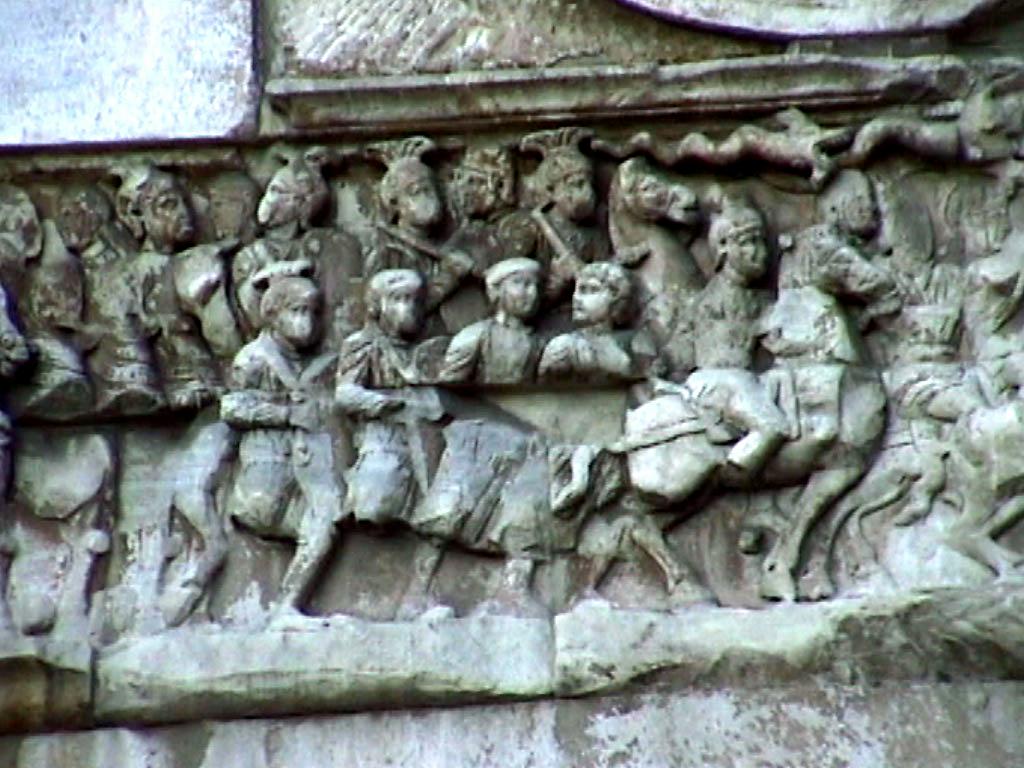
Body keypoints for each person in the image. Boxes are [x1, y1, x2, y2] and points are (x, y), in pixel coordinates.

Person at [221, 261, 342, 618]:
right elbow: (232, 407)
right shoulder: (254, 359)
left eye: (313, 312)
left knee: (326, 521)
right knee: (318, 521)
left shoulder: (321, 362)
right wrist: (285, 414)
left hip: (307, 472)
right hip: (266, 477)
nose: (307, 322)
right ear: (273, 315)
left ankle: (287, 607)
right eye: (297, 311)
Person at [440, 257, 542, 384]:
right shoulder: (475, 336)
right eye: (523, 284)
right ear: (497, 290)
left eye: (536, 286)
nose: (533, 293)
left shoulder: (538, 342)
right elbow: (448, 386)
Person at [538, 261, 639, 381]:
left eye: (591, 290)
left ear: (616, 297)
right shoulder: (563, 346)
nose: (577, 298)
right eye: (577, 291)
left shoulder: (634, 343)